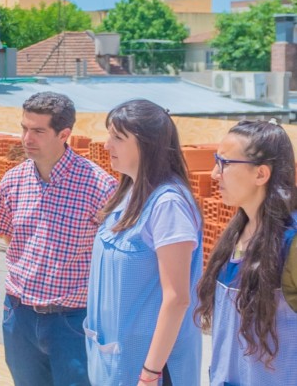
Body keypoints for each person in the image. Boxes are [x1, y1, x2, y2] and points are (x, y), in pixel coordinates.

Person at [0, 92, 116, 385]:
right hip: (18, 316)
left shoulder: (99, 187)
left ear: (64, 134)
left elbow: (110, 260)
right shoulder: (12, 181)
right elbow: (11, 239)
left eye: (38, 131)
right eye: (24, 128)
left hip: (72, 322)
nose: (26, 138)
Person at [85, 99, 202, 385]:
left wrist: (150, 373)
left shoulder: (168, 204)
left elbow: (177, 299)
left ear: (146, 145)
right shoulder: (128, 192)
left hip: (150, 369)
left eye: (117, 138)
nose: (106, 144)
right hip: (115, 358)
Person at [195, 120, 297, 384]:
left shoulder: (292, 242)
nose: (215, 173)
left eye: (225, 163)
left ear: (261, 174)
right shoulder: (237, 233)